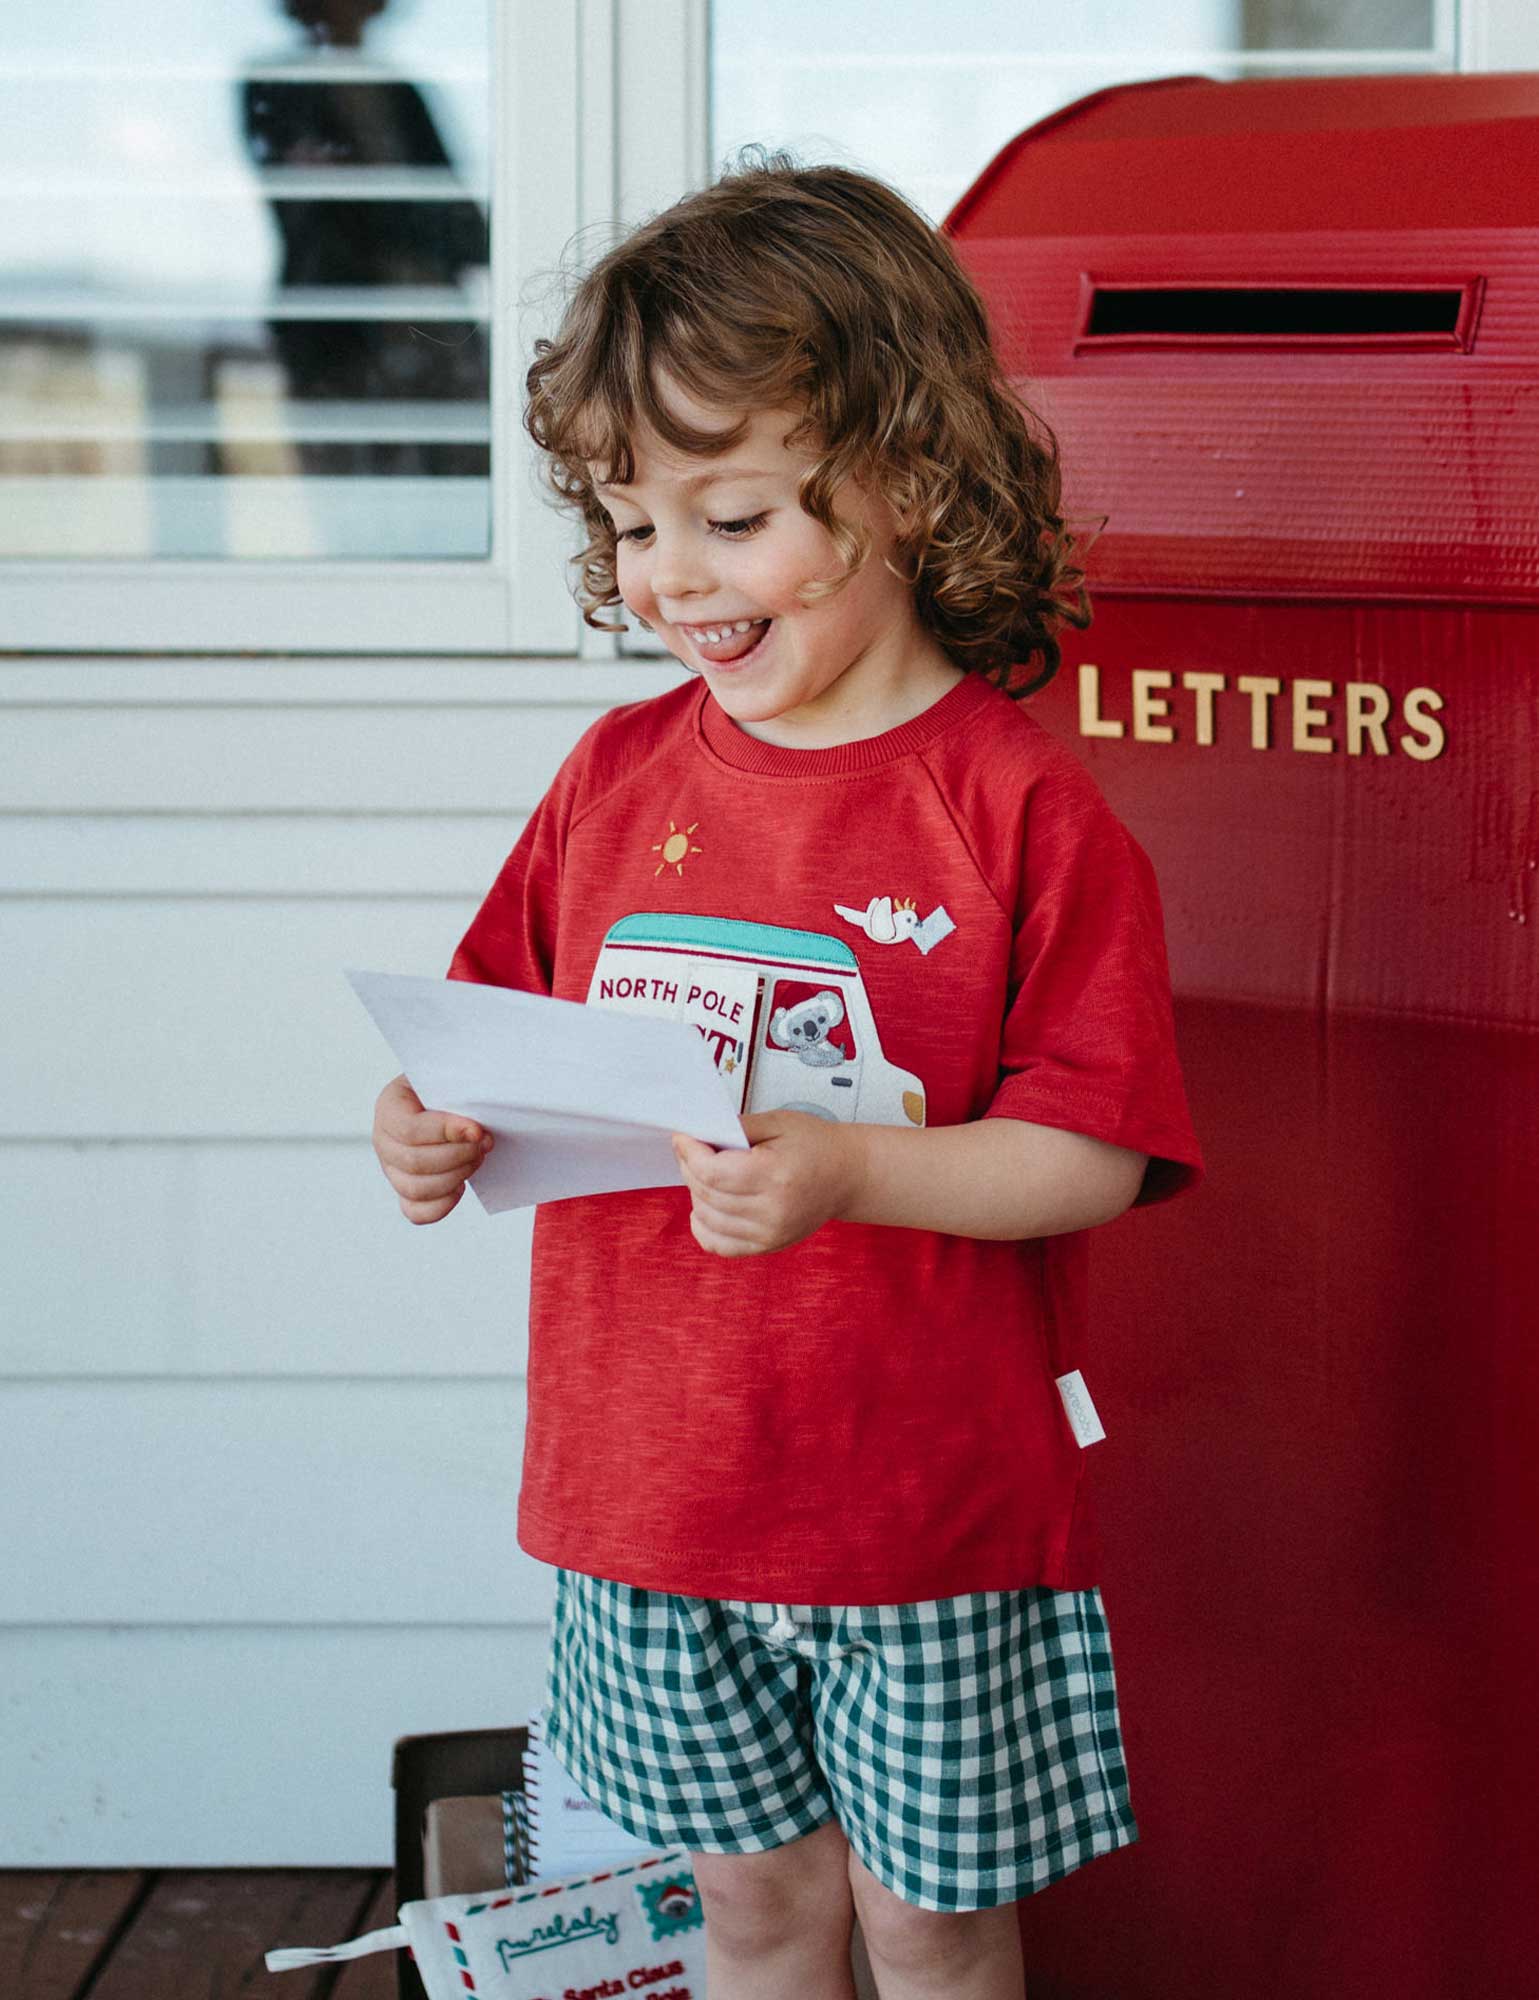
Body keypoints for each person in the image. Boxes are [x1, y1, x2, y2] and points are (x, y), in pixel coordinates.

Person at [370, 147, 1204, 2000]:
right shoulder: (614, 776)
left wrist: (845, 1171)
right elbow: (481, 1032)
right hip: (648, 1500)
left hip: (925, 1513)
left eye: (730, 520)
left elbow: (1095, 1152)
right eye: (630, 520)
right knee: (744, 1911)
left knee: (932, 1925)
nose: (670, 577)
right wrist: (423, 1128)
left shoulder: (1018, 809)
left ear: (903, 480)